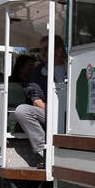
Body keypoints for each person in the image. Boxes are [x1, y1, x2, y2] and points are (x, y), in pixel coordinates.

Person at [15, 36, 67, 168]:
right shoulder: (38, 72)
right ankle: (45, 150)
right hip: (48, 113)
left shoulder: (73, 66)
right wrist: (54, 112)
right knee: (22, 110)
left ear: (59, 51)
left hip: (71, 116)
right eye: (41, 50)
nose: (42, 53)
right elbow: (36, 100)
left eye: (46, 49)